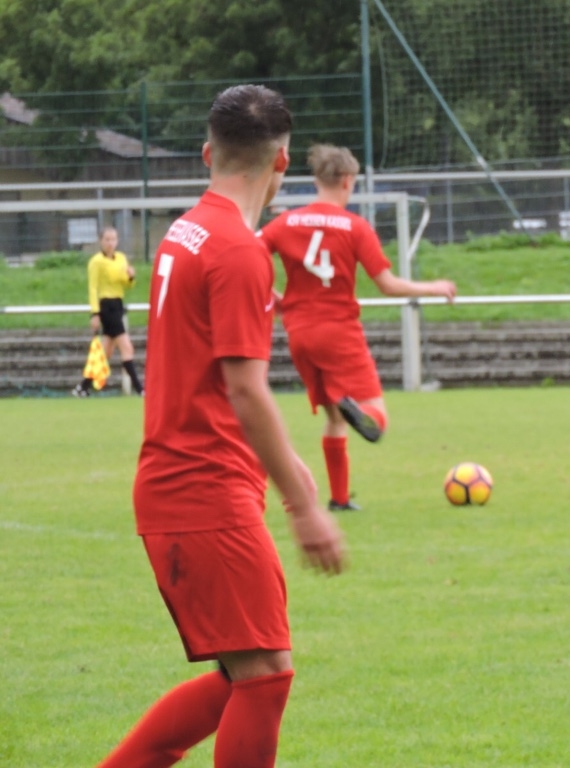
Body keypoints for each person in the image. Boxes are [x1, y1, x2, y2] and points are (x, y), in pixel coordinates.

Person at [94, 85, 346, 768]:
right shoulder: (237, 249)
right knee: (265, 677)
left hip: (189, 486)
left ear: (208, 153)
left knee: (245, 674)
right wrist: (302, 502)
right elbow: (244, 387)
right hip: (200, 489)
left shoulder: (186, 229)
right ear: (284, 164)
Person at [259, 144, 456, 512]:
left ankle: (339, 498)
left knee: (334, 417)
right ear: (348, 182)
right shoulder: (355, 227)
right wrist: (433, 287)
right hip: (338, 331)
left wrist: (276, 298)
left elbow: (247, 256)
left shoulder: (285, 222)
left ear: (317, 180)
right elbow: (387, 284)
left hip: (299, 333)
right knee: (375, 414)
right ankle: (362, 415)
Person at [72, 226, 145, 396]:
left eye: (113, 239)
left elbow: (126, 284)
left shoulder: (121, 258)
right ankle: (139, 388)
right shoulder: (96, 261)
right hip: (106, 306)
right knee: (127, 347)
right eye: (107, 239)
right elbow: (93, 288)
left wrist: (131, 276)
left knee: (106, 352)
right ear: (101, 241)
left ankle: (82, 387)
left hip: (118, 304)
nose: (111, 243)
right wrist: (95, 313)